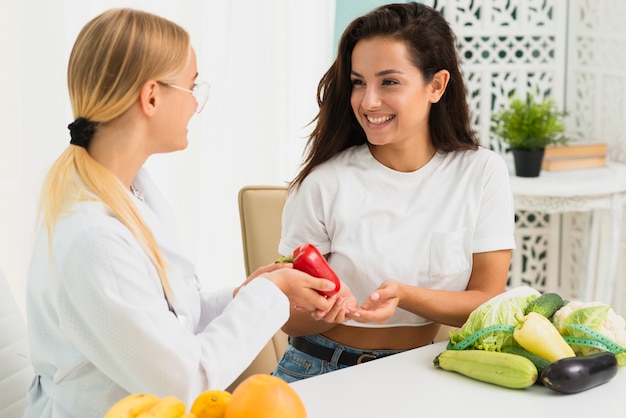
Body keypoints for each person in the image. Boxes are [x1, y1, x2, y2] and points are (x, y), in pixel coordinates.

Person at [23, 8, 338, 417]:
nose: (196, 104)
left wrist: (244, 294)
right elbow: (184, 380)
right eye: (193, 87)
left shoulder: (131, 192)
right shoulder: (93, 238)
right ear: (152, 96)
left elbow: (172, 319)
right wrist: (270, 295)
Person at [272, 2, 516, 383]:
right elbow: (289, 318)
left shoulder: (481, 172)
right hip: (318, 369)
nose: (368, 102)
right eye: (358, 82)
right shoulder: (324, 182)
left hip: (425, 372)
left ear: (436, 85)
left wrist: (406, 295)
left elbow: (487, 302)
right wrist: (320, 308)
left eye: (389, 81)